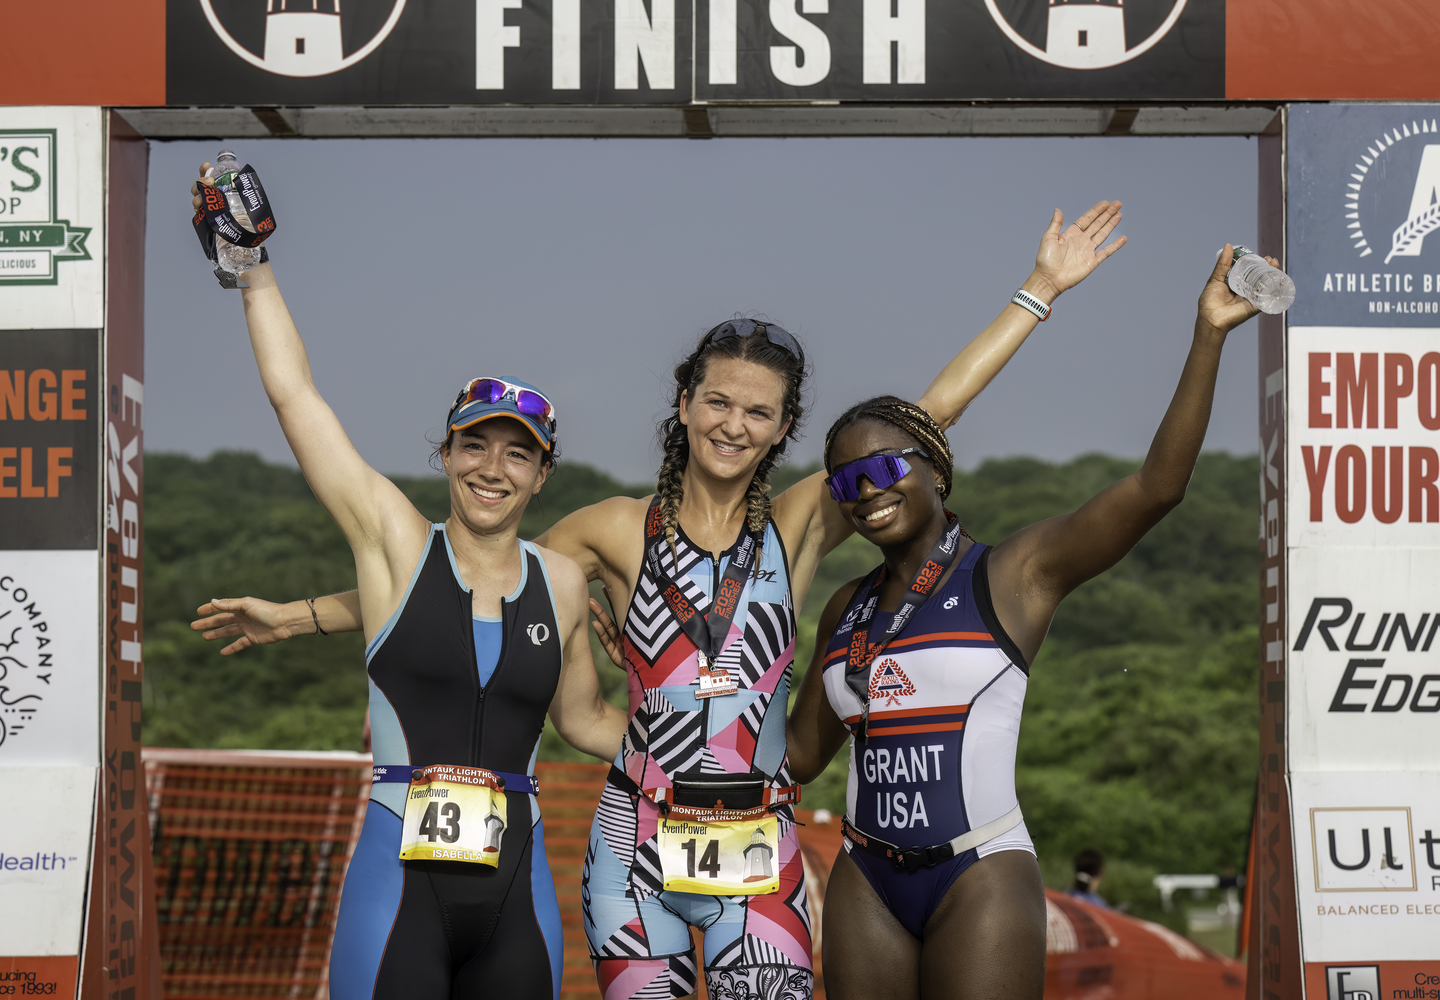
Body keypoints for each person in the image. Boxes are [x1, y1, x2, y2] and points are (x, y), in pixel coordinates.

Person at [192, 202, 1127, 1000]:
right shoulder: (602, 531)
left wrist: (1037, 291)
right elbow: (459, 585)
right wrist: (303, 614)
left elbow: (930, 415)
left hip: (757, 838)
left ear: (783, 430)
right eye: (718, 402)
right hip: (632, 843)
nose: (735, 424)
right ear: (685, 404)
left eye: (760, 414)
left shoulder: (801, 525)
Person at [188, 167, 629, 1000]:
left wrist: (721, 741)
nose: (492, 469)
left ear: (542, 476)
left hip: (518, 899)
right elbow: (297, 398)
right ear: (446, 455)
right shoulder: (391, 543)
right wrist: (253, 266)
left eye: (518, 453)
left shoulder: (564, 583)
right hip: (398, 891)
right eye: (474, 446)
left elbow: (587, 721)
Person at [783, 244, 1269, 1000]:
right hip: (864, 877)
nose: (865, 493)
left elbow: (1155, 488)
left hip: (977, 871)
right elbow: (800, 757)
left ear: (935, 470)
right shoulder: (846, 608)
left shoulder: (1012, 573)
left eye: (885, 469)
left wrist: (1207, 335)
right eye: (846, 483)